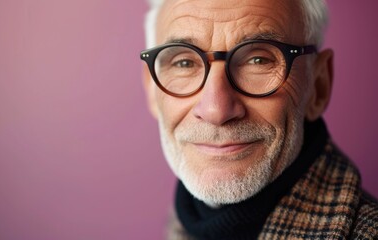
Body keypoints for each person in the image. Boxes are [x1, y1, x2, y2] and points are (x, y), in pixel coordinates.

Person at [140, 0, 378, 239]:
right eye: (184, 63)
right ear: (151, 91)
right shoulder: (182, 224)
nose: (216, 111)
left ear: (318, 86)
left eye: (258, 60)